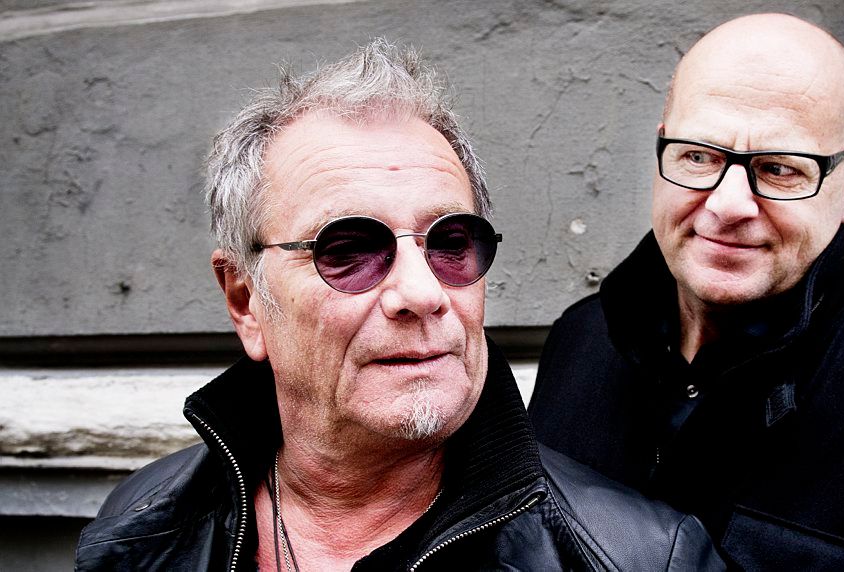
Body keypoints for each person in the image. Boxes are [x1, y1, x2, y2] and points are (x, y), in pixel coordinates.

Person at [74, 39, 723, 571]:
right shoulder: (141, 524)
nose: (422, 293)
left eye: (451, 242)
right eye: (349, 249)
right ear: (246, 300)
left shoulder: (638, 558)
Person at [529, 13, 844, 571]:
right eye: (699, 156)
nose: (727, 205)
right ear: (662, 154)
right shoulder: (579, 343)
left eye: (779, 168)